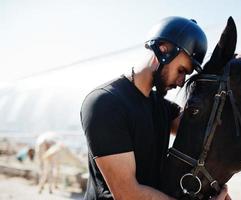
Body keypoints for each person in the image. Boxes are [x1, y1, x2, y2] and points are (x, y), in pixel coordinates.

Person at [80, 16, 231, 200]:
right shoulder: (105, 103)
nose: (181, 81)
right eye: (182, 70)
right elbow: (128, 193)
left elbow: (203, 124)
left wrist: (233, 71)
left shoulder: (162, 106)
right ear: (163, 50)